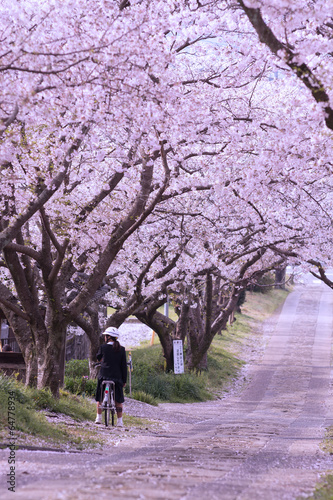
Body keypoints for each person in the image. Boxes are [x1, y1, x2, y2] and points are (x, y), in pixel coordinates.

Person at [95, 326, 127, 427]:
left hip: (104, 376)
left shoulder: (103, 348)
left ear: (108, 337)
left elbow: (98, 358)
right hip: (117, 377)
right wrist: (124, 380)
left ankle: (98, 418)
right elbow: (123, 366)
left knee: (100, 397)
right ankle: (120, 421)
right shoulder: (121, 349)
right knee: (118, 400)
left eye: (105, 336)